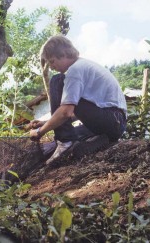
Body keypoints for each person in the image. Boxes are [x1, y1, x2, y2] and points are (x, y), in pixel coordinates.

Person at [29, 35, 127, 165]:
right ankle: (99, 140)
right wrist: (45, 123)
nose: (52, 67)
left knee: (57, 80)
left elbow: (66, 112)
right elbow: (78, 111)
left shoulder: (75, 70)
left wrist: (40, 132)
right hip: (114, 124)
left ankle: (64, 141)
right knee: (74, 139)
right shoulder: (83, 65)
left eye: (52, 61)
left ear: (63, 54)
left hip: (112, 119)